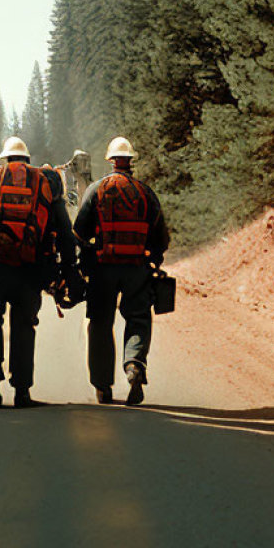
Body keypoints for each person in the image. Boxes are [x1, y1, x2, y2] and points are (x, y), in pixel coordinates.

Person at [0, 137, 77, 408]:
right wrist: (69, 270)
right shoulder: (45, 183)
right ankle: (22, 393)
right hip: (30, 270)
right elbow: (65, 233)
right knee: (24, 328)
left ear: (5, 158)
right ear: (27, 158)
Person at [74, 136, 170, 406]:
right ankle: (134, 366)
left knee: (101, 323)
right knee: (138, 318)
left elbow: (79, 232)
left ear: (111, 161)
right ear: (131, 161)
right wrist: (155, 260)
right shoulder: (145, 192)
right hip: (137, 268)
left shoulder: (97, 190)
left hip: (103, 269)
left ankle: (103, 387)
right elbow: (160, 237)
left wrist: (84, 260)